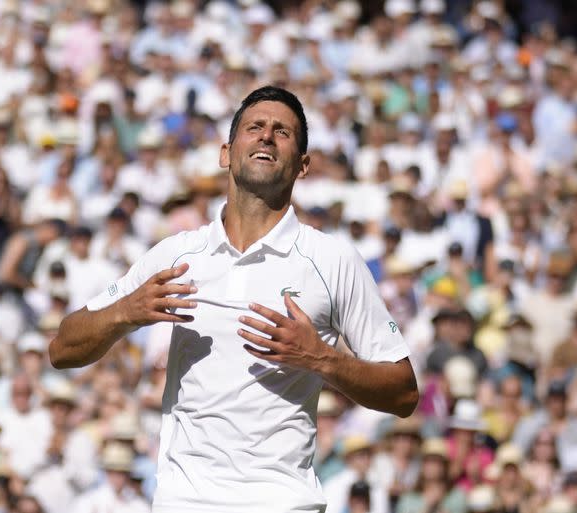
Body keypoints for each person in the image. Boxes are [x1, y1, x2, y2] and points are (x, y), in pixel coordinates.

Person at [50, 86, 419, 512]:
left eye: (282, 132)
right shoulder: (177, 254)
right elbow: (62, 348)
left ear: (302, 166)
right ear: (226, 153)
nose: (266, 136)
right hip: (183, 502)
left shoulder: (332, 260)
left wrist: (321, 359)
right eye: (255, 127)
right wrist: (125, 312)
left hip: (283, 503)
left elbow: (404, 394)